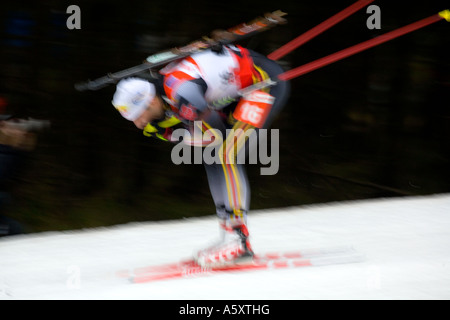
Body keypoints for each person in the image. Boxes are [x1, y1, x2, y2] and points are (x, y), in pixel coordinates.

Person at [112, 43, 290, 267]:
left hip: (264, 83)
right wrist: (180, 131)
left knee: (227, 155)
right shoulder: (160, 106)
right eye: (133, 120)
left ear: (152, 101)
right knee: (212, 156)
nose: (138, 124)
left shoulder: (179, 89)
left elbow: (205, 122)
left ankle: (239, 240)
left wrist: (186, 126)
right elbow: (207, 133)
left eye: (140, 115)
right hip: (238, 89)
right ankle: (229, 235)